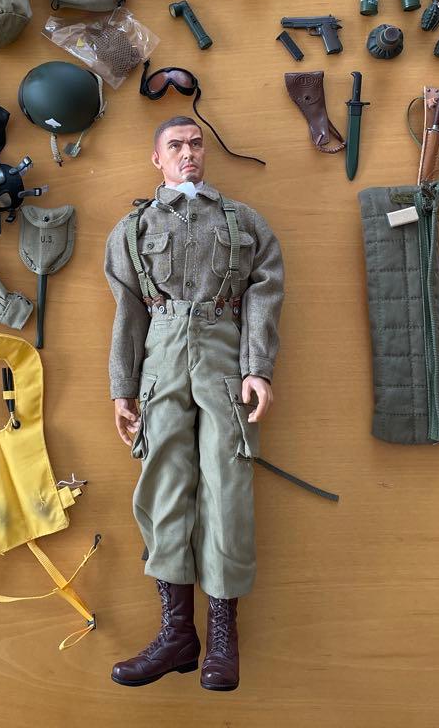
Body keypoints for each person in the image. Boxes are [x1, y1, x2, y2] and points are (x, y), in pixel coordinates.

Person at [103, 115, 284, 692]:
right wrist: (122, 387)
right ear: (156, 158)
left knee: (228, 483)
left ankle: (223, 635)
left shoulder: (243, 222)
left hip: (223, 357)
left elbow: (265, 291)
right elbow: (127, 310)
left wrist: (257, 368)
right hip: (159, 360)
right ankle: (177, 633)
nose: (189, 153)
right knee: (162, 484)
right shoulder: (133, 228)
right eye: (176, 145)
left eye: (196, 143)